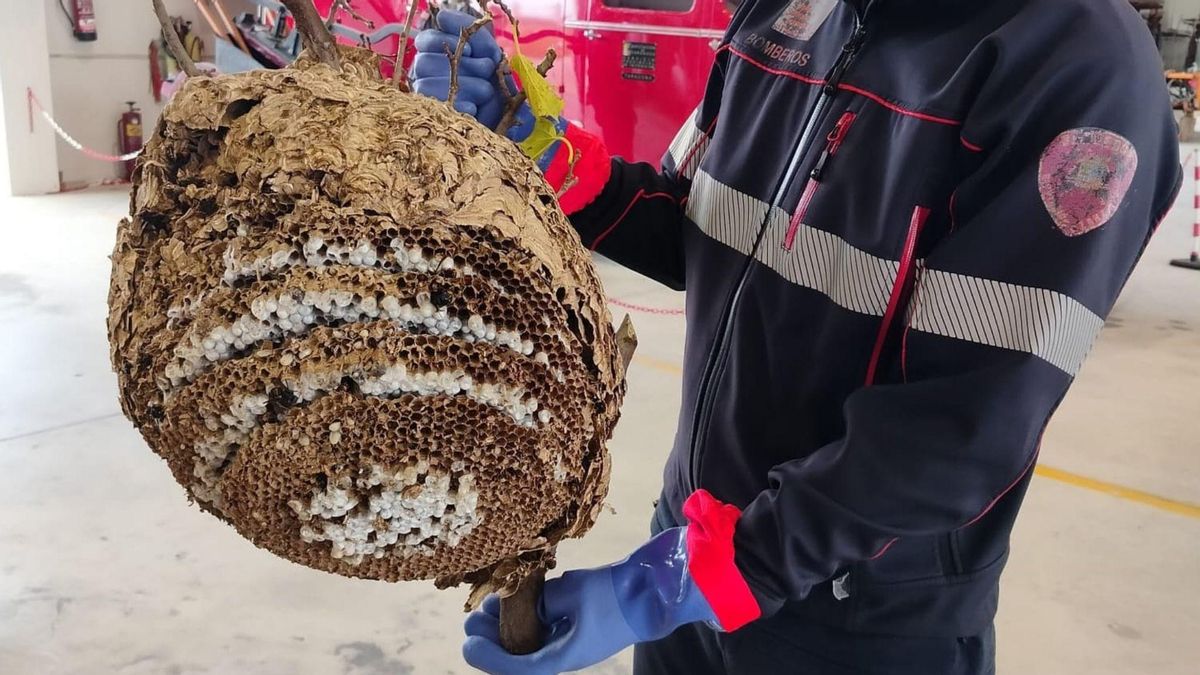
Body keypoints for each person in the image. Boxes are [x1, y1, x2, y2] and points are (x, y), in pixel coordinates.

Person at [412, 1, 1181, 673]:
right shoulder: (783, 14)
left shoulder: (1077, 66)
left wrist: (677, 583)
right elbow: (700, 229)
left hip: (857, 620)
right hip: (691, 542)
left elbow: (960, 431)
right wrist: (547, 152)